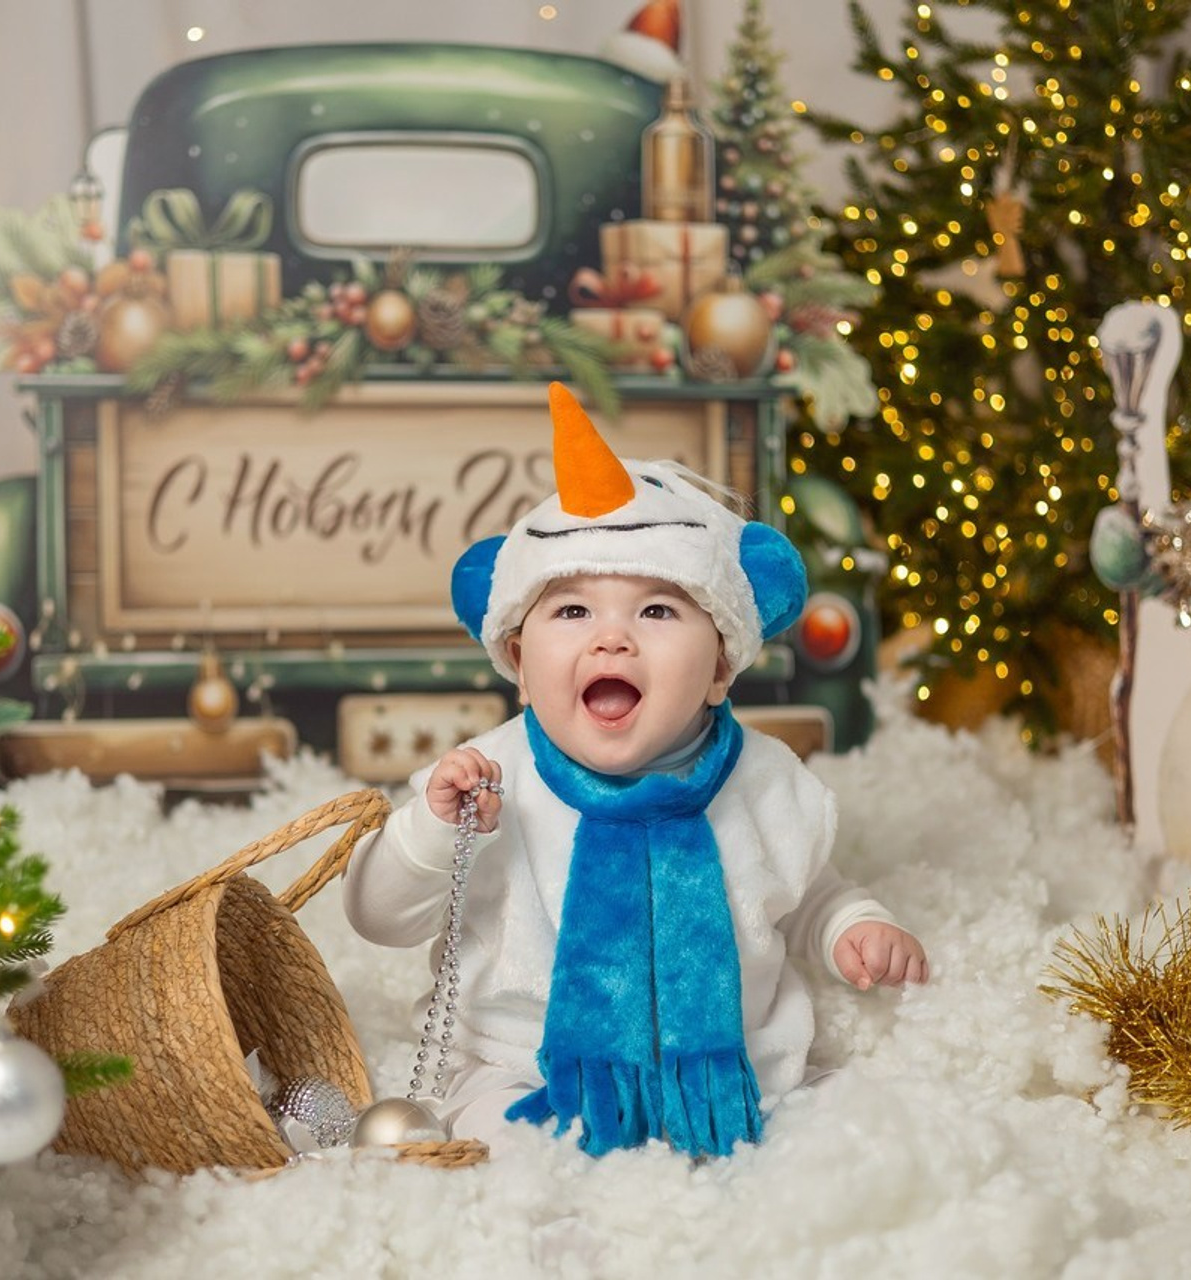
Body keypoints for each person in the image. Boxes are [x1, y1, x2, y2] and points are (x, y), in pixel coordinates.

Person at [343, 381, 928, 1159]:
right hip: (520, 1067)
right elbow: (380, 917)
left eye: (656, 611)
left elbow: (809, 890)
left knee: (848, 1130)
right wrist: (428, 833)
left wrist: (855, 928)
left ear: (720, 669)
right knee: (515, 1144)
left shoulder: (763, 781)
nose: (611, 640)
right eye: (572, 610)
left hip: (729, 1074)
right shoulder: (488, 779)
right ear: (519, 663)